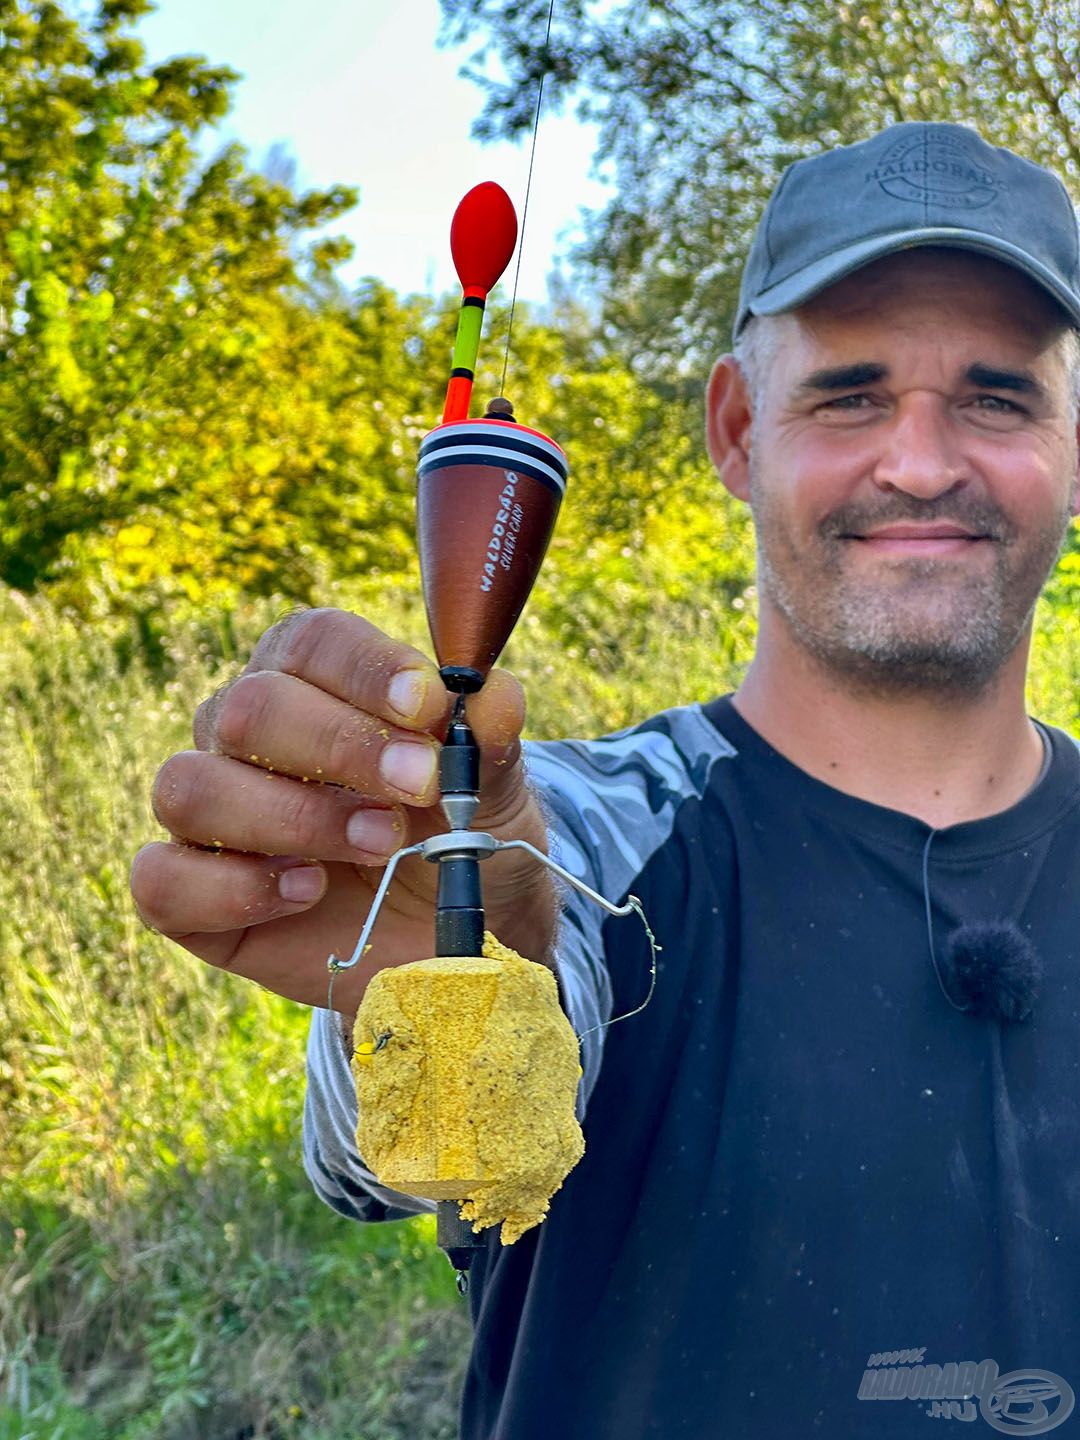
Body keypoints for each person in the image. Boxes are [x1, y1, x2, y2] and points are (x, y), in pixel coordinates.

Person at [131, 121, 1080, 1437]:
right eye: (850, 394)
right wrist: (463, 961)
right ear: (739, 431)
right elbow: (461, 1133)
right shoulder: (590, 850)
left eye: (996, 394)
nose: (920, 462)